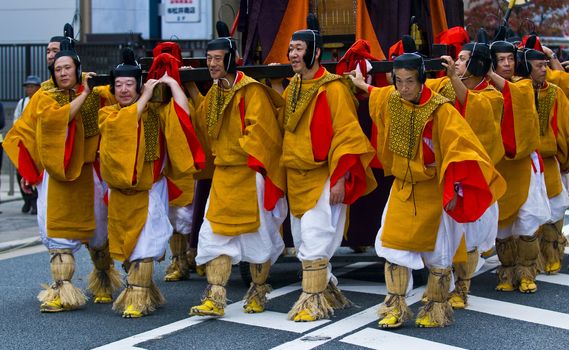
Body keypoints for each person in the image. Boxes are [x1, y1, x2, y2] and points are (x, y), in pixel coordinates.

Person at [350, 51, 505, 328]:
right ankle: (395, 307)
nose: (404, 87)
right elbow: (376, 93)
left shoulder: (441, 109)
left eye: (410, 81)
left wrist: (456, 191)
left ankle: (435, 306)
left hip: (434, 189)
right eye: (398, 81)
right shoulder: (392, 99)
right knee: (392, 248)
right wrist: (361, 84)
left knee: (439, 256)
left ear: (422, 80)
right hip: (402, 188)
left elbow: (462, 148)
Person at [3, 25, 121, 313]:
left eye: (65, 64)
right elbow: (26, 133)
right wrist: (28, 172)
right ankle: (62, 289)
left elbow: (123, 104)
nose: (61, 71)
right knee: (57, 234)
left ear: (76, 66)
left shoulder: (96, 89)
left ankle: (104, 279)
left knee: (99, 232)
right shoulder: (44, 96)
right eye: (55, 64)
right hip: (55, 176)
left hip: (89, 173)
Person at [185, 33, 288, 317]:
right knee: (214, 235)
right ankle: (215, 297)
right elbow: (204, 123)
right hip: (223, 176)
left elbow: (262, 130)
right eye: (209, 59)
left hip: (248, 173)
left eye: (218, 59)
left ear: (231, 59)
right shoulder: (216, 92)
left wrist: (241, 153)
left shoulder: (251, 90)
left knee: (257, 237)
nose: (213, 64)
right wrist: (192, 89)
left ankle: (257, 292)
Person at [99, 48, 204, 318]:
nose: (123, 90)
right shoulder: (109, 115)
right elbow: (124, 124)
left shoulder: (155, 112)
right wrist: (145, 96)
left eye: (129, 85)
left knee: (145, 246)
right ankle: (142, 288)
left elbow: (182, 111)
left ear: (138, 84)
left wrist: (171, 83)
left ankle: (138, 295)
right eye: (119, 85)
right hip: (121, 194)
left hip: (150, 189)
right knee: (128, 247)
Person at [282, 26, 377, 322]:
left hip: (324, 176)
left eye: (299, 48)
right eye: (291, 49)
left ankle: (311, 302)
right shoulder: (293, 86)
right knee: (302, 243)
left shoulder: (334, 87)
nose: (293, 54)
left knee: (314, 241)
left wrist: (339, 178)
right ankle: (328, 288)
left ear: (316, 52)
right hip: (296, 178)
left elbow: (347, 136)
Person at [426, 31, 505, 309]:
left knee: (469, 236)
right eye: (457, 59)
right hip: (446, 172)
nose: (457, 63)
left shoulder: (493, 97)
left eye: (462, 59)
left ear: (477, 65)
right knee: (444, 234)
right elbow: (420, 91)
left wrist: (452, 79)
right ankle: (440, 285)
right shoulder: (446, 87)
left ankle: (461, 288)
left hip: (475, 176)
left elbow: (473, 105)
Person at [488, 32, 550, 293]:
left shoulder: (522, 85)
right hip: (500, 165)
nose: (506, 64)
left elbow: (512, 93)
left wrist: (489, 72)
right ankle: (507, 270)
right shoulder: (484, 90)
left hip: (523, 164)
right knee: (502, 224)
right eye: (500, 60)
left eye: (510, 59)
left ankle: (527, 272)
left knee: (526, 222)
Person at [517, 35, 569, 275]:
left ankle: (551, 254)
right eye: (539, 66)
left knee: (554, 208)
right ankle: (527, 261)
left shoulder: (555, 91)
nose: (544, 70)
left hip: (548, 160)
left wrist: (564, 157)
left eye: (545, 65)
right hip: (523, 162)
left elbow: (564, 127)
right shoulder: (518, 90)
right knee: (527, 213)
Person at [13, 75, 42, 214]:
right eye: (28, 87)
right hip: (24, 140)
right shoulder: (22, 102)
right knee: (21, 171)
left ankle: (35, 201)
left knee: (35, 171)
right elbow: (16, 120)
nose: (29, 89)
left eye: (32, 86)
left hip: (37, 142)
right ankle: (27, 199)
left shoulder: (42, 100)